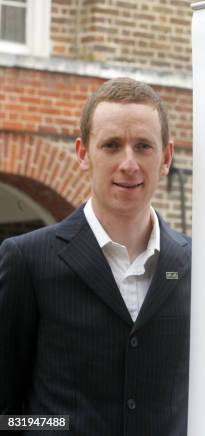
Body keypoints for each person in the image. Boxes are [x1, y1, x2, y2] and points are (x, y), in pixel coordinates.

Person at [0, 78, 191, 436]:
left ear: (166, 157)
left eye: (144, 146)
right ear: (83, 152)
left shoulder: (196, 266)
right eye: (112, 145)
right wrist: (58, 427)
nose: (129, 163)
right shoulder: (27, 260)